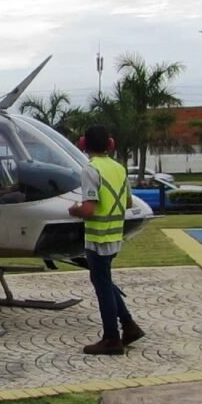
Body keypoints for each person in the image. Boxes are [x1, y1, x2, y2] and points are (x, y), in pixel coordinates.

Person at [67, 126, 145, 355]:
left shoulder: (91, 170)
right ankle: (129, 325)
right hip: (115, 235)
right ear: (110, 144)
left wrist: (75, 210)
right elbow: (129, 203)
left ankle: (112, 337)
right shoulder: (119, 168)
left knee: (102, 287)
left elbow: (89, 209)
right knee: (105, 281)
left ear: (83, 144)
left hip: (98, 237)